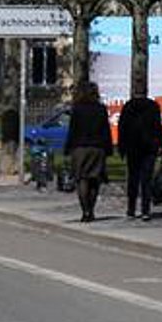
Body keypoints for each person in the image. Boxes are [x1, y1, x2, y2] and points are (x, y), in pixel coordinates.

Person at [65, 82, 113, 223]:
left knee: (81, 179)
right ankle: (91, 209)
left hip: (80, 147)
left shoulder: (77, 109)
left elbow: (73, 130)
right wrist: (108, 148)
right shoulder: (101, 109)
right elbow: (106, 130)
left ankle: (85, 210)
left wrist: (68, 148)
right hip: (97, 147)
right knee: (95, 179)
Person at [117, 91, 162, 221]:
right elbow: (158, 127)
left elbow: (122, 128)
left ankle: (131, 209)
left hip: (132, 146)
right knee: (146, 179)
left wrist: (122, 148)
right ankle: (145, 210)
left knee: (133, 178)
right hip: (149, 146)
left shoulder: (128, 106)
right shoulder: (153, 106)